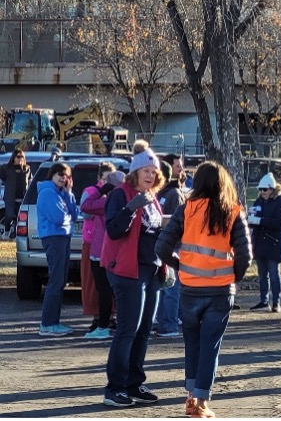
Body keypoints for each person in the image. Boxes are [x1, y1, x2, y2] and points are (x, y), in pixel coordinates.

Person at [155, 161, 252, 419]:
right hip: (220, 290)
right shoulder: (232, 211)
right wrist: (234, 277)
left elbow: (161, 246)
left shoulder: (186, 210)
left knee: (193, 343)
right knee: (211, 346)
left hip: (190, 288)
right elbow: (245, 255)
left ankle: (190, 399)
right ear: (223, 184)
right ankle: (201, 401)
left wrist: (180, 265)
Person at [101, 145, 165, 407]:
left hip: (151, 270)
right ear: (134, 172)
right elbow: (114, 230)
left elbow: (156, 231)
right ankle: (114, 388)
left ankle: (134, 383)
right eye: (146, 171)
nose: (150, 175)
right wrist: (132, 207)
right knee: (128, 329)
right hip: (127, 270)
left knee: (144, 330)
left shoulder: (152, 196)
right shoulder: (120, 194)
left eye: (154, 171)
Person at [79, 163, 122, 339]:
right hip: (118, 250)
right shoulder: (126, 199)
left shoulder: (106, 200)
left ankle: (103, 325)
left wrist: (100, 190)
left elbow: (86, 206)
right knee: (116, 289)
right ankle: (113, 321)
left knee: (103, 288)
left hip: (100, 249)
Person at [37, 161, 79, 336]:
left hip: (63, 237)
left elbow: (74, 215)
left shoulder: (62, 193)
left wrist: (69, 194)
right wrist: (68, 216)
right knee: (56, 281)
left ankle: (54, 321)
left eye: (66, 175)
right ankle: (47, 323)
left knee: (61, 280)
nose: (63, 178)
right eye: (60, 174)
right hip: (54, 239)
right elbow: (59, 218)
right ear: (52, 175)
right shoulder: (48, 192)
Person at [153, 154, 188, 338]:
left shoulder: (175, 194)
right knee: (163, 285)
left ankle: (170, 324)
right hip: (162, 245)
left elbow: (178, 224)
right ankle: (163, 320)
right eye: (177, 166)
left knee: (171, 287)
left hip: (174, 247)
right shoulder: (162, 193)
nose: (181, 170)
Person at [248, 172, 281, 313]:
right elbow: (254, 219)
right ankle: (264, 301)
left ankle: (276, 301)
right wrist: (251, 219)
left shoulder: (280, 201)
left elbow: (280, 223)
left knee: (273, 273)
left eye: (264, 189)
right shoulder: (259, 201)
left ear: (272, 189)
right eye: (260, 189)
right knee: (262, 274)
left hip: (273, 243)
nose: (262, 192)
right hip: (260, 242)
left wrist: (260, 221)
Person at [0, 148, 31, 240]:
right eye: (18, 157)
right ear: (13, 157)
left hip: (22, 196)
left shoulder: (26, 168)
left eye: (22, 157)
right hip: (10, 196)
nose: (20, 159)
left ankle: (15, 233)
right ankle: (6, 231)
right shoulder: (6, 168)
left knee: (20, 217)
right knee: (9, 214)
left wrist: (22, 168)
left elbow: (29, 180)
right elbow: (3, 178)